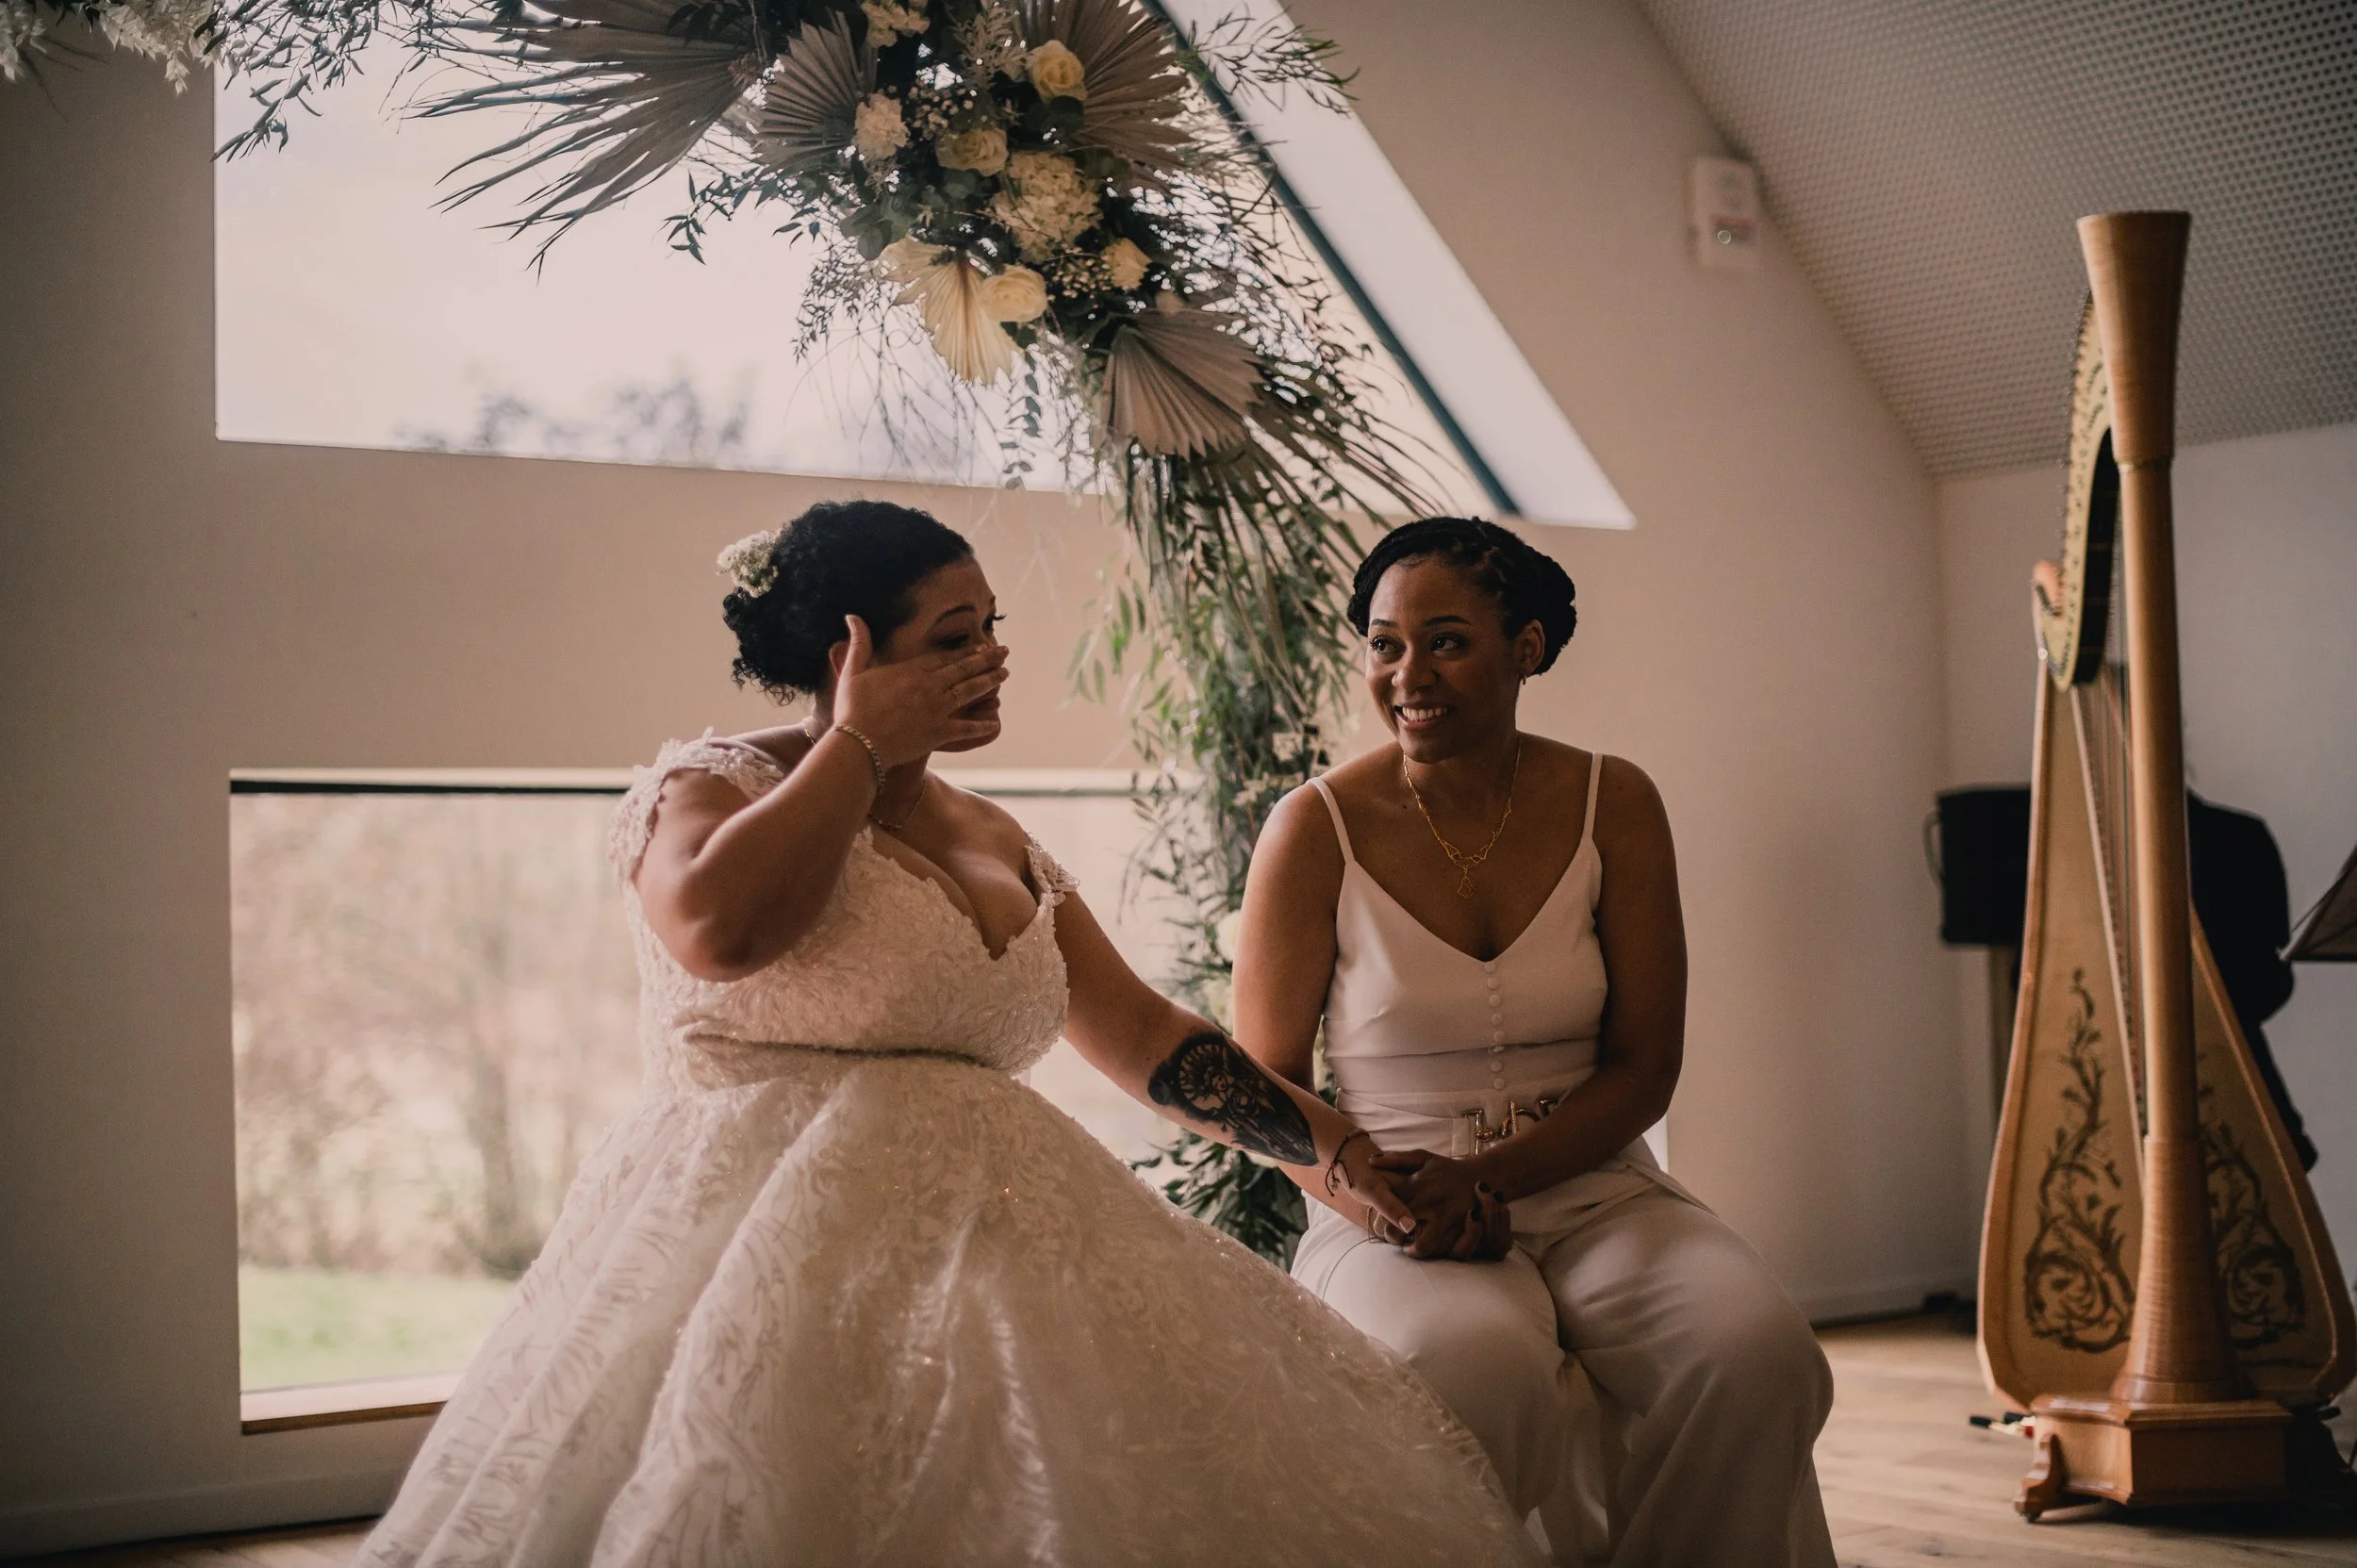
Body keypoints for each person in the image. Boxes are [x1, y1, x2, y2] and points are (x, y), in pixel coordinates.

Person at [355, 501, 1543, 1568]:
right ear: (851, 654)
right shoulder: (709, 787)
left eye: (991, 627)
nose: (993, 657)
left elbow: (1144, 1036)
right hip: (754, 1263)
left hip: (1009, 1253)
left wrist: (1344, 1160)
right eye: (952, 636)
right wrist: (856, 746)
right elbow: (719, 931)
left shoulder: (996, 835)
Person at [1233, 517, 1836, 1567]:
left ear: (1527, 648)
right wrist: (1389, 1200)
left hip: (1598, 1186)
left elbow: (1646, 1065)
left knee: (1754, 1349)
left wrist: (1492, 1177)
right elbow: (1260, 1091)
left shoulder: (1615, 801)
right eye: (1384, 645)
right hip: (1394, 1205)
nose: (1408, 675)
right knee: (1464, 1365)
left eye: (1446, 641)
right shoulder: (1313, 828)